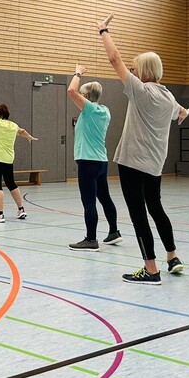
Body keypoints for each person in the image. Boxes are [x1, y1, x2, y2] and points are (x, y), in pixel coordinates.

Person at [98, 14, 189, 284]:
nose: (133, 72)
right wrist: (183, 112)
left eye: (136, 68)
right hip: (154, 165)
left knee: (139, 214)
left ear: (143, 71)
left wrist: (104, 31)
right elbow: (180, 113)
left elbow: (115, 60)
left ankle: (151, 269)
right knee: (156, 208)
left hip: (133, 163)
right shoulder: (168, 96)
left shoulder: (142, 91)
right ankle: (172, 257)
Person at [66, 65, 122, 250]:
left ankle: (91, 239)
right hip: (101, 161)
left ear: (87, 97)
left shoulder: (89, 110)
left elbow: (71, 90)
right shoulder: (104, 110)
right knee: (104, 197)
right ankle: (114, 232)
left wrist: (78, 73)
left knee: (88, 201)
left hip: (88, 162)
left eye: (83, 95)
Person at [0, 80, 37, 223]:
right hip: (8, 160)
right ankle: (21, 209)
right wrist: (29, 137)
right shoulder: (13, 125)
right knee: (12, 184)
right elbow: (21, 131)